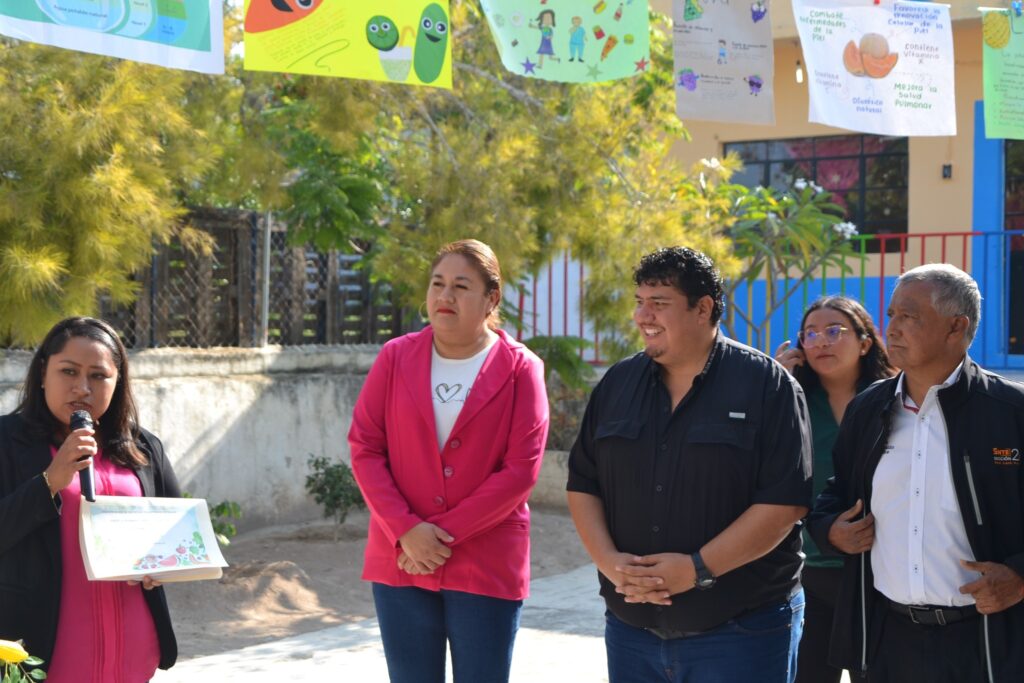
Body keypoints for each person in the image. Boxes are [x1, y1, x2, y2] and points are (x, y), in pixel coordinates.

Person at [567, 246, 813, 683]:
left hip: (741, 634)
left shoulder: (767, 385)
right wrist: (611, 563)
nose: (643, 316)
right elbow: (584, 483)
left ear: (703, 309)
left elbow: (784, 503)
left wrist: (696, 569)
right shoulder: (617, 384)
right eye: (640, 302)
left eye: (659, 303)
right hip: (632, 631)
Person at [808, 264, 1024, 682]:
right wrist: (831, 530)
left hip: (988, 645)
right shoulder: (867, 409)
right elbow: (838, 492)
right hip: (888, 641)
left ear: (956, 327)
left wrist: (1019, 576)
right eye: (891, 315)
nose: (892, 328)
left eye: (909, 316)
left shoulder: (1011, 412)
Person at [348, 239, 549, 683]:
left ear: (491, 298)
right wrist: (406, 531)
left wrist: (438, 537)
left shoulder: (521, 369)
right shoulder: (395, 357)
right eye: (437, 284)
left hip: (485, 558)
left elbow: (521, 471)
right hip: (401, 556)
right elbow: (365, 447)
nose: (445, 296)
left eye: (461, 286)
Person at [0, 316, 180, 681]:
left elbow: (175, 530)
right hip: (41, 653)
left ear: (118, 383)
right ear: (42, 373)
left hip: (134, 649)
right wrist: (49, 483)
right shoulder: (5, 442)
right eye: (68, 371)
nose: (82, 388)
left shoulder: (144, 447)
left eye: (98, 376)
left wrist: (162, 565)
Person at [774, 296, 896, 683]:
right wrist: (776, 385)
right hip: (807, 570)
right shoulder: (792, 400)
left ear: (864, 343)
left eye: (834, 330)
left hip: (882, 574)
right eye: (810, 334)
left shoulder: (897, 400)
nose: (821, 341)